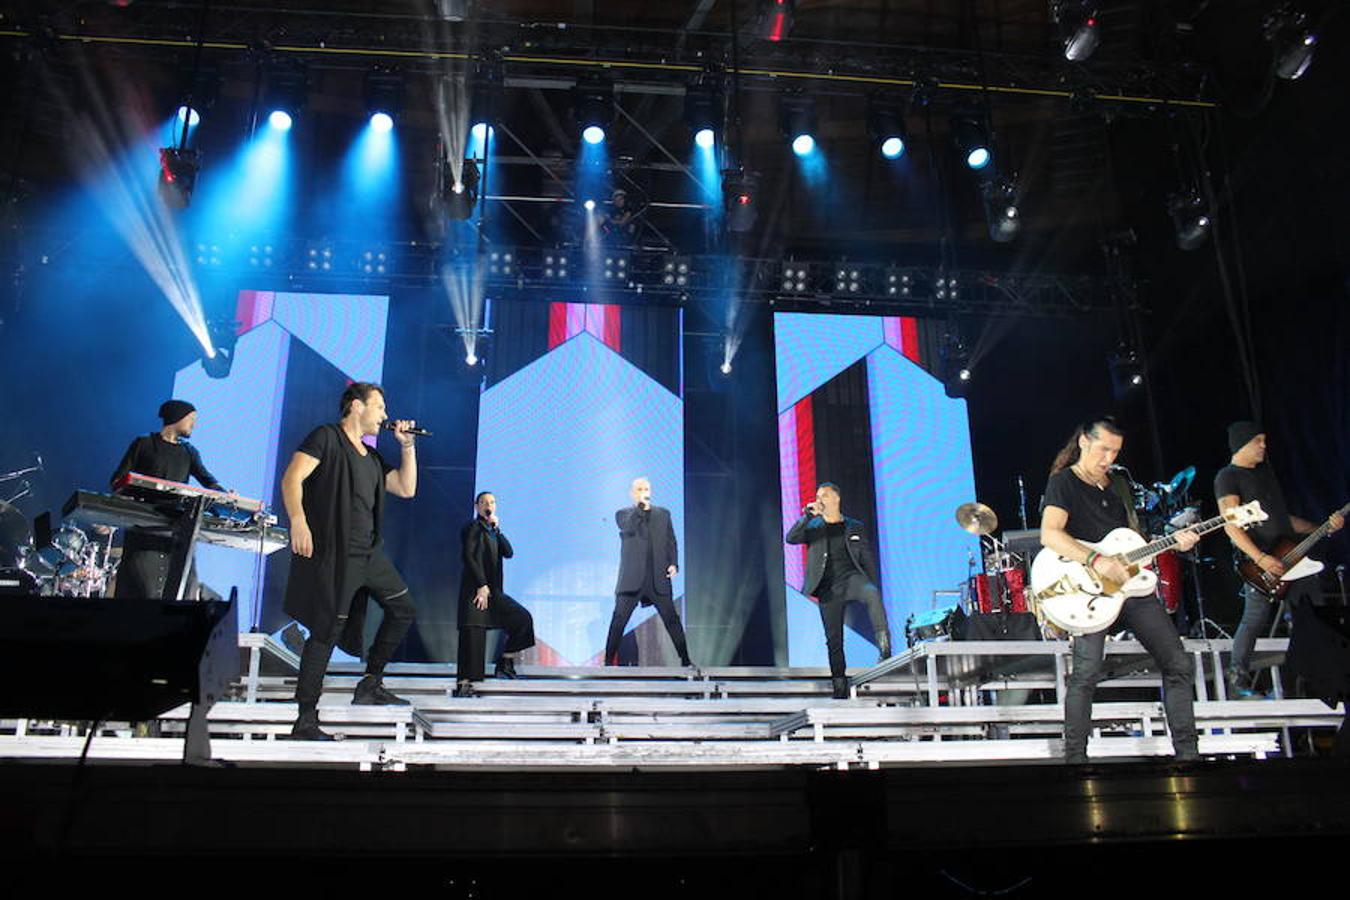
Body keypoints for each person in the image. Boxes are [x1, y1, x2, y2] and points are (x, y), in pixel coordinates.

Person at [1041, 416, 1201, 763]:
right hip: (1089, 592)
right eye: (1103, 449)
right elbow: (1051, 535)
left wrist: (1173, 542)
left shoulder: (1117, 487)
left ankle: (1189, 755)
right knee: (1085, 674)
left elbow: (1130, 543)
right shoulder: (1063, 483)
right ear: (1084, 441)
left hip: (1130, 588)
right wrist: (1096, 560)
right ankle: (1075, 761)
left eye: (1115, 452)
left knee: (1177, 663)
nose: (1108, 458)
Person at [281, 382, 420, 741]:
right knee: (326, 631)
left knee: (403, 608)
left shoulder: (372, 458)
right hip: (337, 554)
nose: (385, 416)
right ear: (357, 406)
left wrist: (408, 448)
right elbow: (293, 477)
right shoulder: (326, 437)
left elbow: (406, 488)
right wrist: (298, 520)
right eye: (380, 408)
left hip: (369, 553)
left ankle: (371, 682)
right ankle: (306, 719)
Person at [1215, 421, 1343, 698]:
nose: (1263, 446)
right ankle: (1238, 678)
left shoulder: (1266, 475)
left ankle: (1321, 674)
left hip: (1291, 557)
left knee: (1313, 612)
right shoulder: (1228, 476)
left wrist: (1322, 527)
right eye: (1257, 441)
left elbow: (1284, 521)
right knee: (1255, 616)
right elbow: (1230, 524)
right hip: (1259, 561)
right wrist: (1259, 558)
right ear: (1242, 444)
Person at [786, 482, 892, 699]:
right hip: (828, 587)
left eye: (824, 495)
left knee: (871, 593)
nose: (820, 499)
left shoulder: (854, 526)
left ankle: (885, 648)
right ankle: (839, 685)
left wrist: (873, 582)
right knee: (834, 638)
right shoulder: (813, 526)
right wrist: (806, 516)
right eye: (818, 496)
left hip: (852, 579)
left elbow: (865, 557)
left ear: (836, 499)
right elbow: (791, 538)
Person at [110, 399, 224, 599]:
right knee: (141, 588)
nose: (194, 424)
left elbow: (209, 482)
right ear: (177, 418)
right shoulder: (143, 443)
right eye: (191, 419)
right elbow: (118, 481)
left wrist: (226, 496)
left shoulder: (189, 452)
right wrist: (114, 516)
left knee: (183, 587)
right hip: (143, 527)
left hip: (177, 530)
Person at [604, 477, 692, 667]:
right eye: (640, 489)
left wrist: (673, 564)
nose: (645, 492)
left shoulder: (663, 514)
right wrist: (640, 508)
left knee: (672, 620)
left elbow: (671, 541)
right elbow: (627, 527)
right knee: (619, 620)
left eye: (647, 488)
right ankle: (608, 662)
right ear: (633, 493)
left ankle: (686, 660)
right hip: (632, 580)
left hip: (657, 579)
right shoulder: (624, 514)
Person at [456, 491, 536, 694]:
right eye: (483, 502)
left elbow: (508, 552)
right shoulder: (472, 527)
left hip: (494, 593)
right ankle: (467, 684)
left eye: (491, 502)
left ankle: (505, 661)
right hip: (476, 591)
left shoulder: (492, 530)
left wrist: (497, 529)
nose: (487, 505)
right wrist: (481, 584)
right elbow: (468, 556)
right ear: (476, 506)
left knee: (522, 619)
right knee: (473, 636)